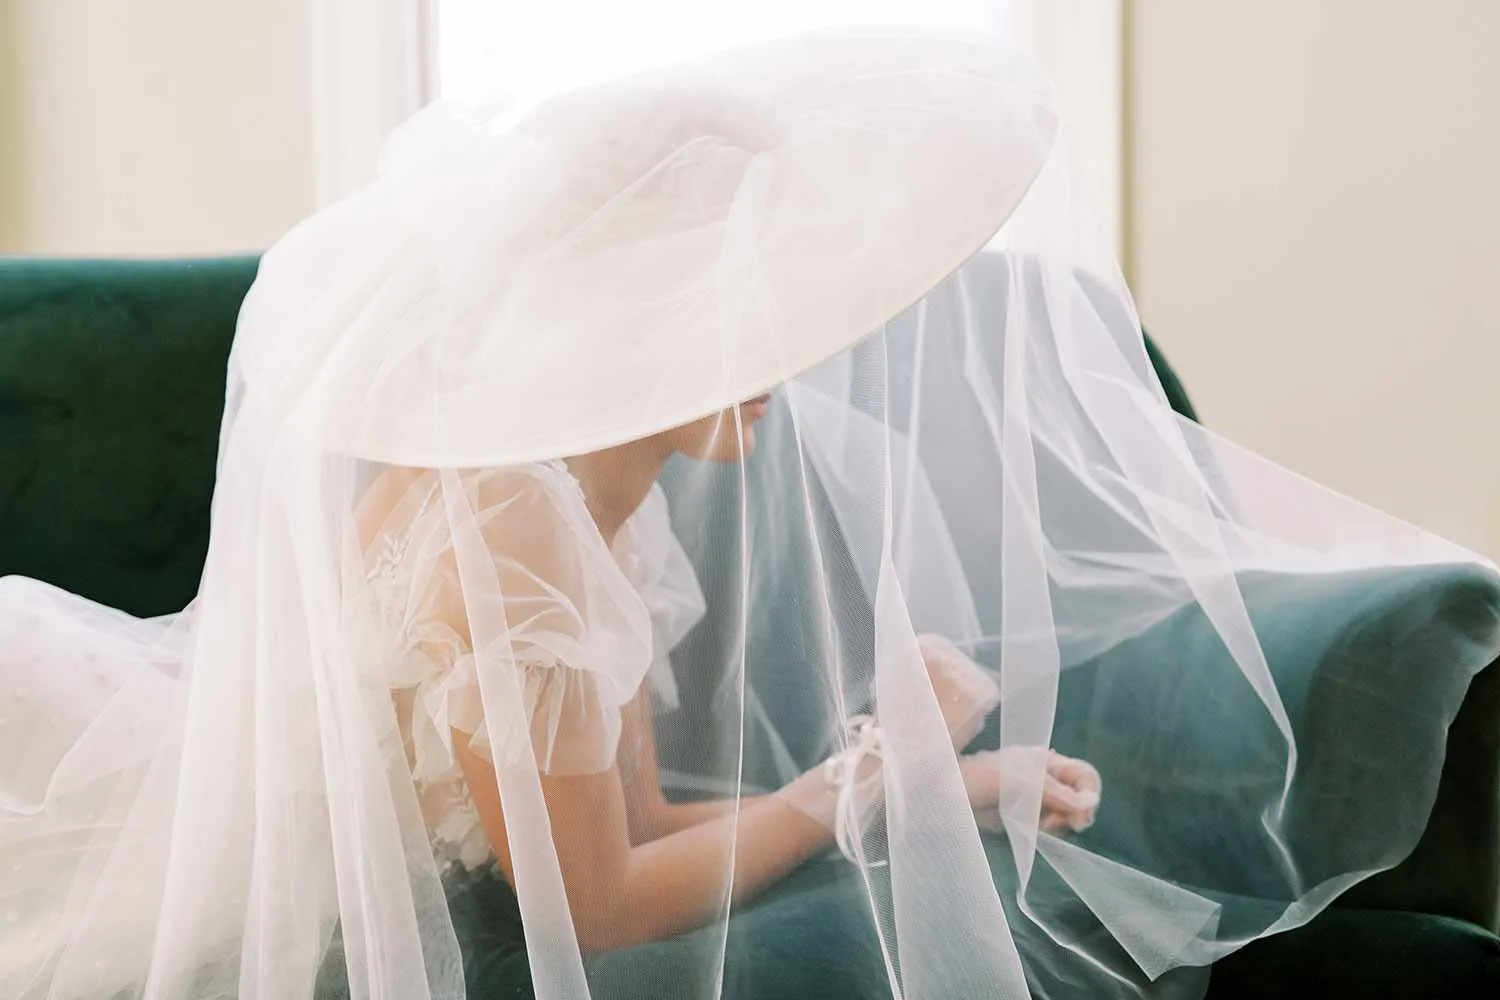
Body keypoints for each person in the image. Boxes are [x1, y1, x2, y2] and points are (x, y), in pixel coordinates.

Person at [2, 26, 1497, 1000]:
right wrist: (878, 775)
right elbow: (600, 902)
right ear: (627, 311)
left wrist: (924, 780)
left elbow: (638, 824)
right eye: (739, 300)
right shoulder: (511, 530)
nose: (782, 349)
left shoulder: (598, 500)